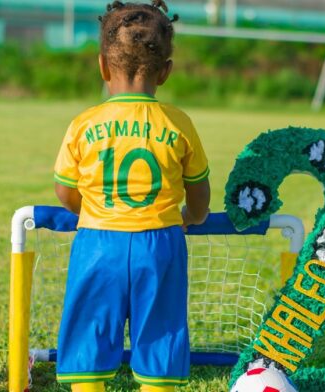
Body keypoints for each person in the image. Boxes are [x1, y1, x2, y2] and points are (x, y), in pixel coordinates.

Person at [51, 1, 211, 391]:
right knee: (160, 327)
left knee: (90, 327)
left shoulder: (84, 123)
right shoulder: (179, 123)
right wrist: (192, 216)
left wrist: (89, 209)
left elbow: (64, 190)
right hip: (160, 245)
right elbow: (200, 195)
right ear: (167, 71)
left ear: (102, 66)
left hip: (97, 243)